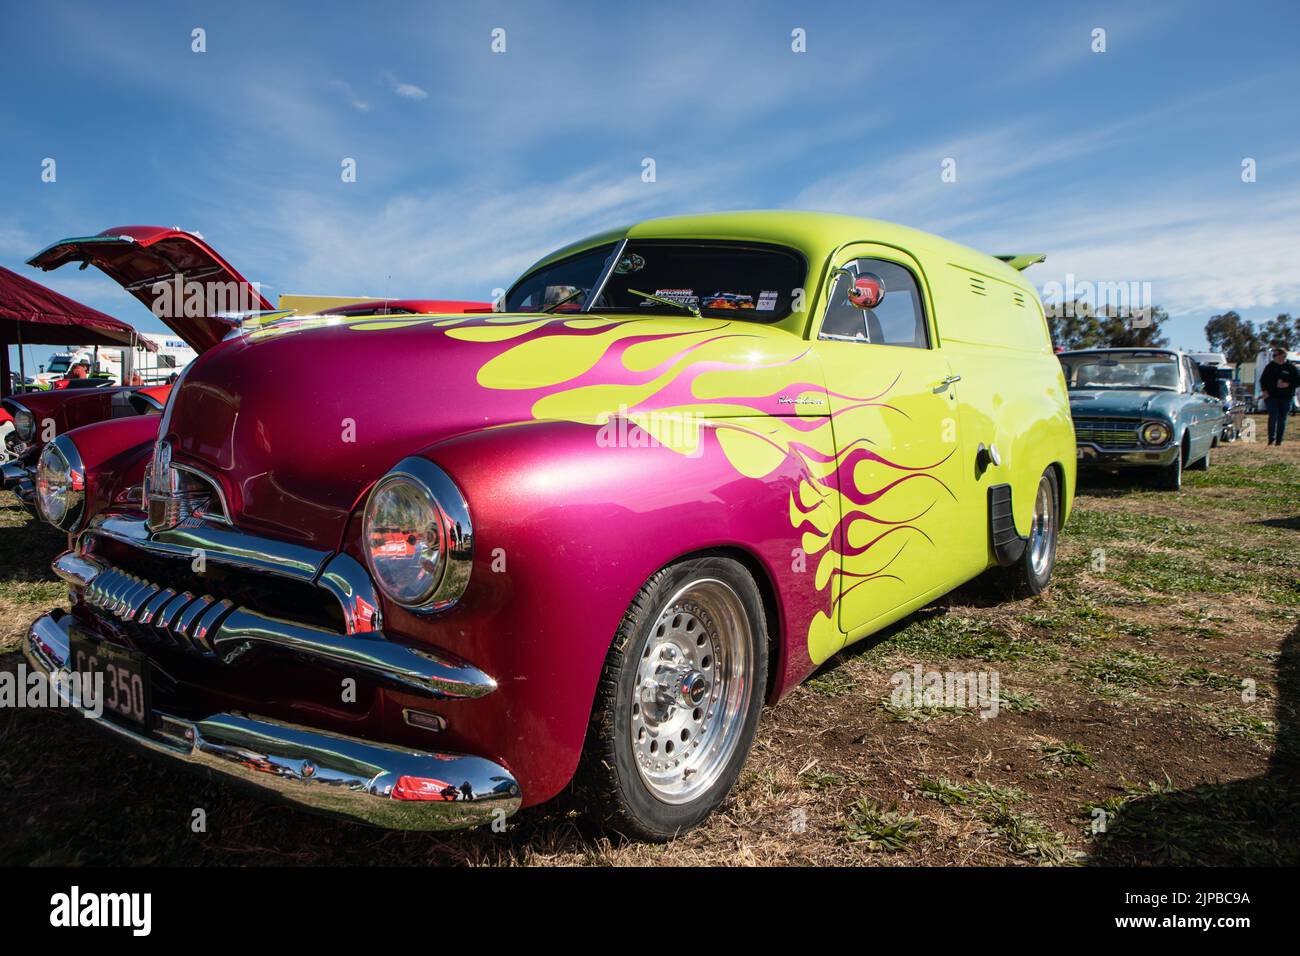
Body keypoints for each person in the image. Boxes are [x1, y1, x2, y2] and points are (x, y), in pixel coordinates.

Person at [1259, 346, 1299, 445]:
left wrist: (1287, 384)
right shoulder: (1270, 366)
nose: (1274, 357)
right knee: (1273, 416)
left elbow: (1298, 381)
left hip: (1286, 397)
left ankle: (1279, 441)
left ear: (1283, 356)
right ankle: (1271, 438)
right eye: (1273, 355)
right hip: (1271, 396)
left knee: (1282, 418)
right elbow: (1263, 380)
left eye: (1275, 355)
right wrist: (1265, 391)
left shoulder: (1291, 368)